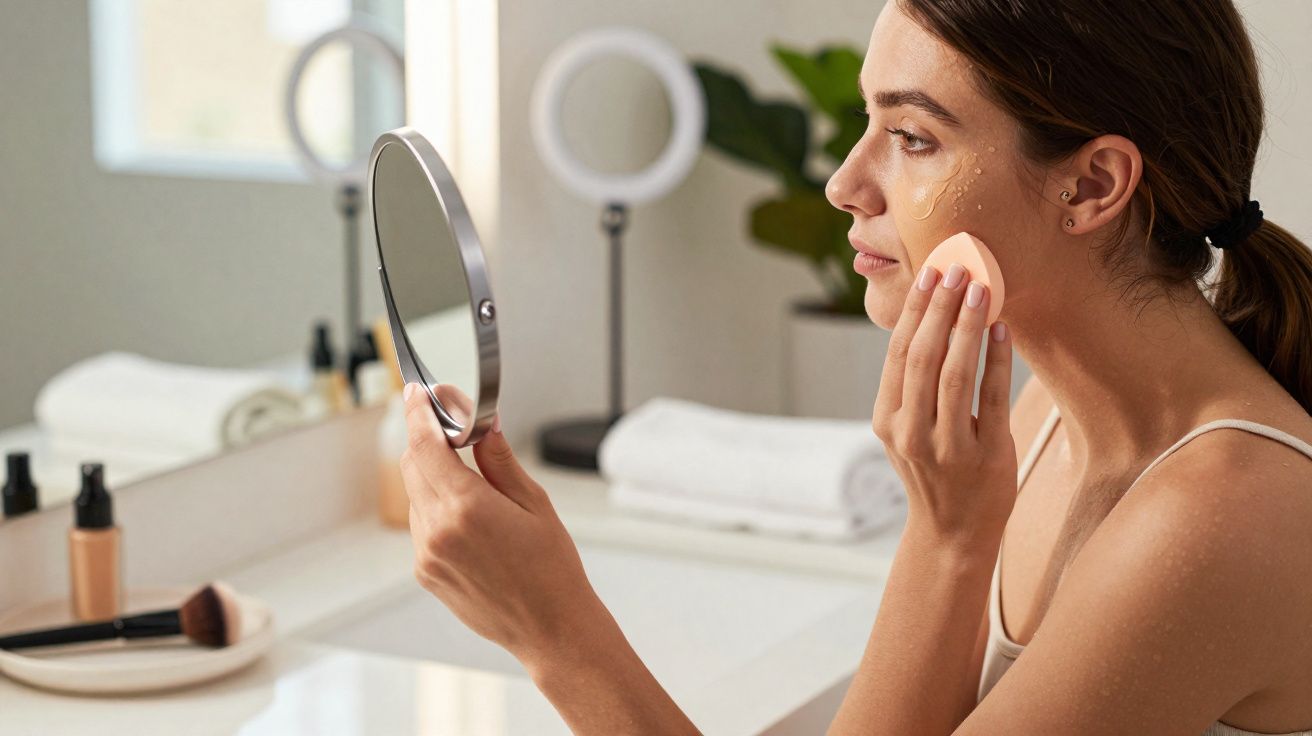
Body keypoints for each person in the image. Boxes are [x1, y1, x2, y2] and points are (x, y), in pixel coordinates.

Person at [396, 0, 1312, 733]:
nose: (844, 183)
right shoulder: (1041, 426)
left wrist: (555, 630)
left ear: (1093, 186)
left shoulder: (1221, 513)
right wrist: (948, 529)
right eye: (868, 124)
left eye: (912, 138)